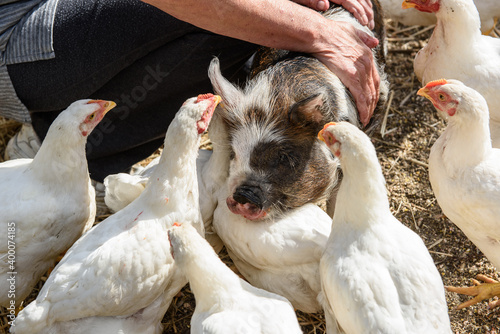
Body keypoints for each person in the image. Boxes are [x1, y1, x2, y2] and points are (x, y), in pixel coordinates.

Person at [2, 0, 380, 184]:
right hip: (17, 37)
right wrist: (317, 32)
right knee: (243, 14)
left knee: (274, 13)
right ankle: (72, 140)